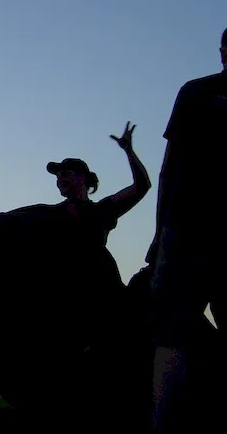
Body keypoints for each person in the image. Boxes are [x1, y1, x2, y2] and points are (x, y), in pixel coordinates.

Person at [0, 124, 151, 431]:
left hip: (99, 293)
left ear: (82, 177)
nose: (60, 181)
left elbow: (142, 186)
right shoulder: (48, 213)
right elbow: (7, 221)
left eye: (65, 175)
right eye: (57, 178)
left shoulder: (102, 211)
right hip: (58, 296)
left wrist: (128, 150)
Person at [147, 28, 227, 433]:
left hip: (194, 233)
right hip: (187, 230)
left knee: (174, 326)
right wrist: (161, 232)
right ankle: (164, 426)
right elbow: (169, 165)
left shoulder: (195, 91)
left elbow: (166, 167)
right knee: (172, 325)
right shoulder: (196, 92)